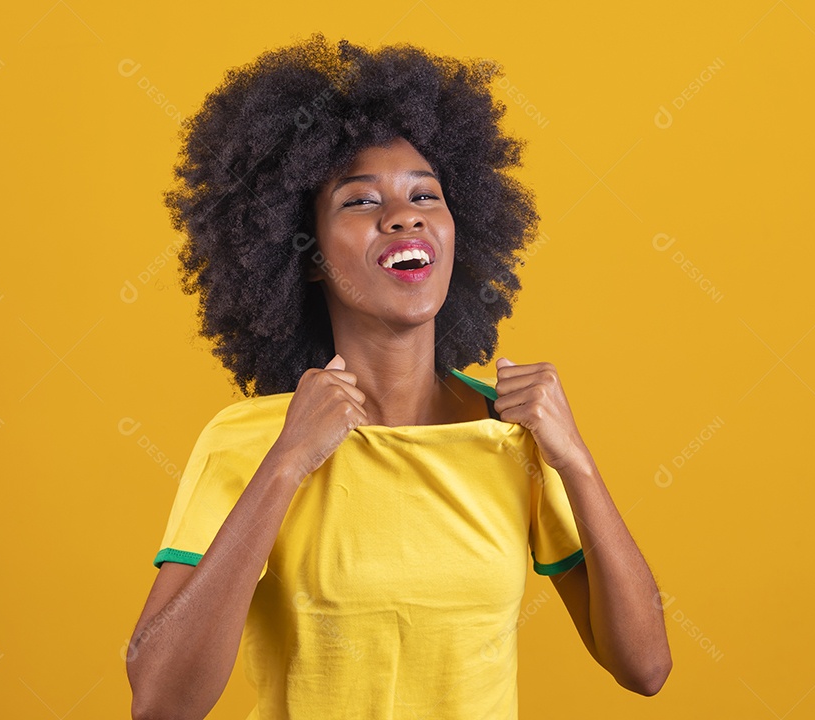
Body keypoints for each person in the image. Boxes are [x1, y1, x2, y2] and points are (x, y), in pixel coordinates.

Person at [126, 34, 671, 720]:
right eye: (359, 202)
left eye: (425, 195)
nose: (403, 214)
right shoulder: (249, 442)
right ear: (307, 252)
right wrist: (288, 462)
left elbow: (646, 667)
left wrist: (576, 461)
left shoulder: (513, 436)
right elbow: (161, 703)